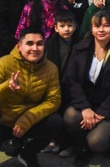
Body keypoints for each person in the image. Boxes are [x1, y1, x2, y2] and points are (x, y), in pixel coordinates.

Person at [0, 27, 62, 167]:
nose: (35, 48)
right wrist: (5, 88)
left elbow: (54, 100)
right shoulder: (3, 63)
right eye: (29, 43)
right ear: (19, 46)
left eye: (39, 44)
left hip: (27, 121)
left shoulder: (51, 69)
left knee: (55, 121)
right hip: (0, 120)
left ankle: (28, 153)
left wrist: (27, 119)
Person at [64, 11, 110, 166]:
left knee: (96, 142)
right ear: (92, 29)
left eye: (106, 26)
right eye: (97, 26)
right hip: (88, 102)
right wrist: (84, 107)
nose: (101, 30)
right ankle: (82, 147)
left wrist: (102, 112)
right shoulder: (80, 49)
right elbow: (72, 80)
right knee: (70, 116)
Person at [43, 10, 78, 157]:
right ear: (56, 28)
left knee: (67, 116)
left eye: (70, 25)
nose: (67, 29)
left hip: (71, 87)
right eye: (62, 26)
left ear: (75, 27)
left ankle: (67, 144)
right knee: (52, 113)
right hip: (55, 85)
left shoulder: (78, 43)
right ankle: (52, 141)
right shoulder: (51, 44)